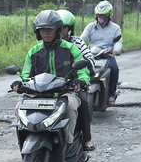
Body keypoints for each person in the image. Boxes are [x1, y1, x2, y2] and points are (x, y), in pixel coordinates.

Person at [11, 10, 90, 145]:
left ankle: (69, 144)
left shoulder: (71, 49)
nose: (46, 33)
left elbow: (82, 70)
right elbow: (25, 74)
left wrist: (82, 81)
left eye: (49, 29)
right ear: (38, 32)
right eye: (42, 30)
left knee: (71, 108)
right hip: (39, 95)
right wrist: (20, 83)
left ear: (57, 30)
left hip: (65, 92)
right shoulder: (34, 52)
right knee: (19, 107)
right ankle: (25, 140)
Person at [57, 9, 95, 151]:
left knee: (83, 103)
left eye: (63, 28)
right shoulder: (48, 45)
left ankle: (86, 138)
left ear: (69, 29)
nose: (60, 31)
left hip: (73, 86)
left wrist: (80, 78)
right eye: (57, 28)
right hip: (51, 86)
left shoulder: (77, 43)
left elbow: (90, 60)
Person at [80, 0, 122, 106]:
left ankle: (111, 94)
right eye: (99, 15)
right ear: (96, 15)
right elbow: (82, 39)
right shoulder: (90, 27)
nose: (101, 18)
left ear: (109, 16)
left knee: (114, 69)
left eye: (104, 16)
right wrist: (78, 46)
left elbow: (118, 42)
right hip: (91, 55)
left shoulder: (115, 28)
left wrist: (116, 50)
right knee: (79, 67)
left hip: (107, 55)